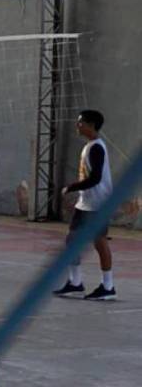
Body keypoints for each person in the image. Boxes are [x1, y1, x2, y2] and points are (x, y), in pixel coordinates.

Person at [54, 110, 117, 301]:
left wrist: (71, 187)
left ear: (91, 125)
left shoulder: (97, 147)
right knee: (72, 241)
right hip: (86, 203)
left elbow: (96, 178)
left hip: (98, 204)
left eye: (80, 122)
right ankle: (75, 283)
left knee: (100, 243)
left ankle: (108, 286)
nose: (77, 125)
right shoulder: (89, 146)